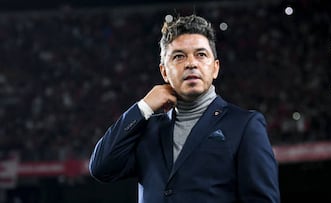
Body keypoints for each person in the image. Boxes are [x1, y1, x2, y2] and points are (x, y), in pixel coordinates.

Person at [89, 14, 280, 203]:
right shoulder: (147, 129)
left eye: (201, 54)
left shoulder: (244, 125)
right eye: (179, 56)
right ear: (164, 71)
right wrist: (143, 107)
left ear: (215, 68)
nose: (191, 63)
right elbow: (101, 168)